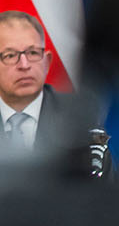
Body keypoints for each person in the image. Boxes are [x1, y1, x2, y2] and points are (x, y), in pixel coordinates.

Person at [0, 10, 98, 161]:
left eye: (33, 53)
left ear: (47, 62)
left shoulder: (81, 118)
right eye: (10, 56)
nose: (24, 65)